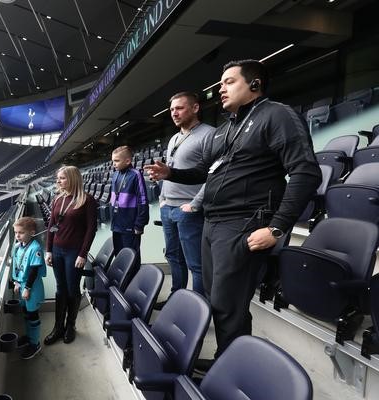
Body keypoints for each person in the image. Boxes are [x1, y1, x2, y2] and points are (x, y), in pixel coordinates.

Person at [144, 60, 322, 364]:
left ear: (254, 85)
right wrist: (170, 172)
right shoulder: (226, 128)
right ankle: (230, 363)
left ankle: (229, 370)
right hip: (213, 223)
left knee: (228, 305)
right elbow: (204, 171)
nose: (220, 88)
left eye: (229, 82)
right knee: (218, 302)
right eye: (221, 83)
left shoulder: (276, 114)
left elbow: (306, 173)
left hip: (245, 223)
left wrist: (277, 228)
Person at [159, 92, 215, 299]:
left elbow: (213, 174)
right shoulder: (174, 137)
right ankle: (176, 299)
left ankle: (196, 308)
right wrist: (163, 200)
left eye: (180, 108)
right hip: (168, 208)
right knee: (173, 257)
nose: (174, 113)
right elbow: (171, 171)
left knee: (195, 263)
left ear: (195, 108)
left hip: (188, 209)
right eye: (172, 109)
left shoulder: (209, 134)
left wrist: (195, 204)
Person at [44, 166, 97, 345]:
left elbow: (91, 230)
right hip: (57, 251)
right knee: (60, 289)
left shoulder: (87, 200)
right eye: (57, 178)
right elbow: (51, 226)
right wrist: (48, 250)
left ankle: (70, 326)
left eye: (62, 178)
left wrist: (83, 254)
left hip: (74, 253)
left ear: (73, 179)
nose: (58, 181)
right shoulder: (58, 199)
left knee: (72, 289)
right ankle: (58, 327)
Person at [11, 217, 47, 359]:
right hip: (22, 286)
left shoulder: (35, 248)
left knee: (32, 314)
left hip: (32, 288)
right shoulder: (18, 247)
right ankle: (29, 337)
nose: (17, 236)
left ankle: (35, 343)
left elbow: (33, 271)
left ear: (31, 233)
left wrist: (27, 288)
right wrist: (16, 282)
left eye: (21, 232)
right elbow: (16, 266)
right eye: (16, 233)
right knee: (26, 312)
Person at [109, 146, 149, 262]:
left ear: (127, 161)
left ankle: (134, 280)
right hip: (116, 224)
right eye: (113, 161)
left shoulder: (136, 175)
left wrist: (139, 224)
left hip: (130, 225)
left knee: (132, 259)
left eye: (117, 161)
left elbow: (143, 200)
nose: (114, 164)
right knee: (119, 257)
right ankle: (123, 281)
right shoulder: (115, 174)